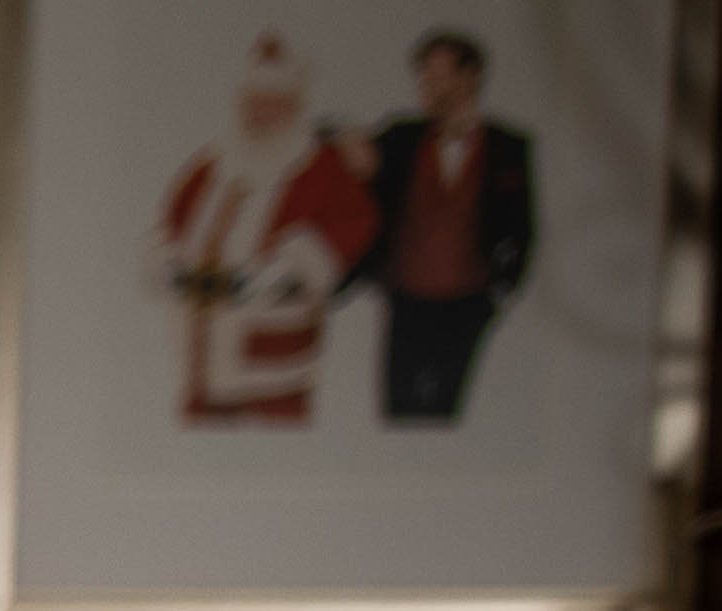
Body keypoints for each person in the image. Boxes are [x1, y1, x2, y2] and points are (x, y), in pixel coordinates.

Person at [163, 30, 381, 424]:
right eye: (251, 102)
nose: (258, 113)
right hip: (202, 350)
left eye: (272, 104)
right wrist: (171, 264)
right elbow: (170, 227)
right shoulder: (213, 161)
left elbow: (356, 223)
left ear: (295, 107)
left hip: (273, 359)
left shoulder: (320, 165)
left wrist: (293, 269)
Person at [339, 26, 539, 422]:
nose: (428, 86)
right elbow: (356, 153)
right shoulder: (403, 138)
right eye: (424, 76)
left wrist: (501, 290)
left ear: (471, 77)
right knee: (397, 411)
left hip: (466, 304)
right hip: (406, 301)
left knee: (446, 410)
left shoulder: (507, 147)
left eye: (439, 75)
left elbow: (523, 227)